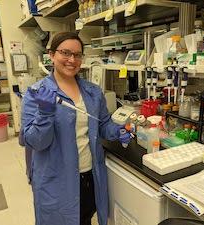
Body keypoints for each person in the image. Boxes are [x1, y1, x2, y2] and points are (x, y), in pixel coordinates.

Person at [21, 32, 131, 225]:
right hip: (56, 181)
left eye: (77, 55)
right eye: (65, 53)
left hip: (89, 175)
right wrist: (45, 114)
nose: (72, 60)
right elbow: (35, 142)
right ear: (51, 55)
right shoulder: (36, 94)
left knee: (85, 219)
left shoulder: (92, 92)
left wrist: (117, 131)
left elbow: (102, 123)